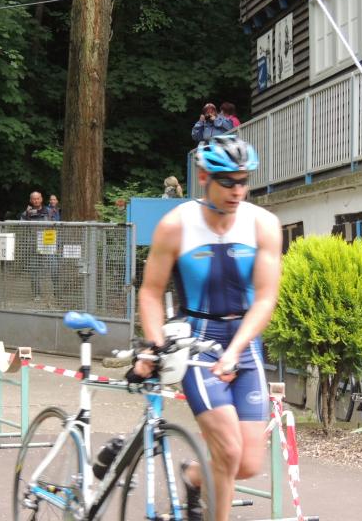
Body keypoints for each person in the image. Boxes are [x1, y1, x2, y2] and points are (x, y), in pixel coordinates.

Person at [134, 135, 283, 521]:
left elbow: (265, 298)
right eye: (227, 181)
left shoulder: (264, 225)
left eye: (243, 181)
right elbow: (150, 292)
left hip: (244, 345)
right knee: (229, 452)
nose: (237, 190)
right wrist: (154, 343)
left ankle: (193, 476)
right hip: (198, 344)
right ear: (204, 177)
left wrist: (235, 351)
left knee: (247, 463)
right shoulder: (176, 225)